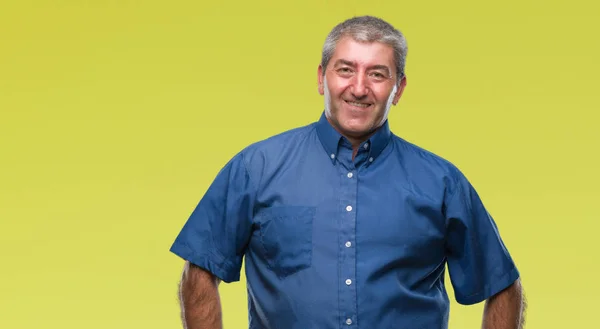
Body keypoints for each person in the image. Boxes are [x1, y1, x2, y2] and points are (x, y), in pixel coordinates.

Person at [170, 15, 526, 329]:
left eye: (377, 74)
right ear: (322, 78)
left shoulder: (442, 183)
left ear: (398, 89)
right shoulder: (256, 169)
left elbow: (502, 285)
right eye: (345, 70)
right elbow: (200, 270)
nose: (358, 88)